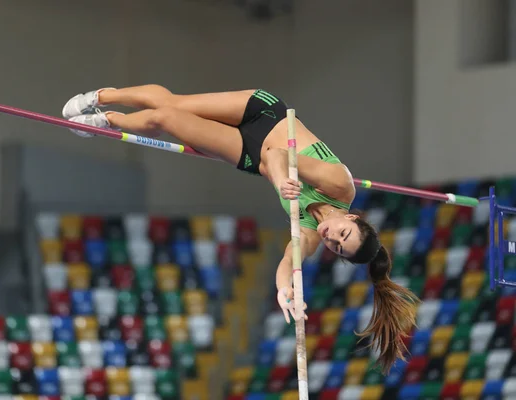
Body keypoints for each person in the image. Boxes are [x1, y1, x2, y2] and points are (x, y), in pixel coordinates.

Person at [61, 85, 419, 373]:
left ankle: (106, 121)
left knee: (166, 120)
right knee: (174, 104)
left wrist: (285, 290)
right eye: (343, 234)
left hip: (248, 151)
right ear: (352, 218)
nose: (332, 238)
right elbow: (278, 157)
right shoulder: (341, 185)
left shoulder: (308, 228)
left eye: (337, 248)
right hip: (265, 115)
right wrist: (281, 184)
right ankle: (101, 96)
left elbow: (289, 257)